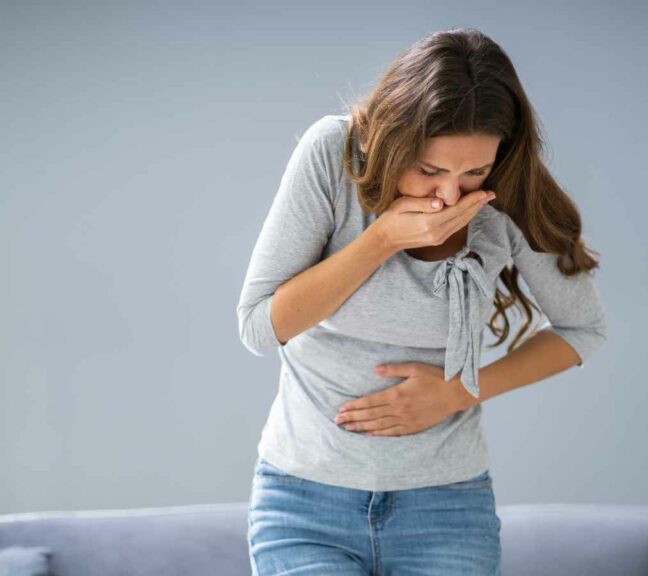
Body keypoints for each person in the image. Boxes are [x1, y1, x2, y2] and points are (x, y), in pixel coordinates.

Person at [237, 27, 608, 576]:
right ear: (393, 139)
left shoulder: (511, 190)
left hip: (446, 508)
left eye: (474, 172)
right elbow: (260, 328)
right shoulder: (332, 155)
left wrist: (455, 394)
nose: (449, 195)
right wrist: (382, 239)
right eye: (430, 170)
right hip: (304, 500)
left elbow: (584, 330)